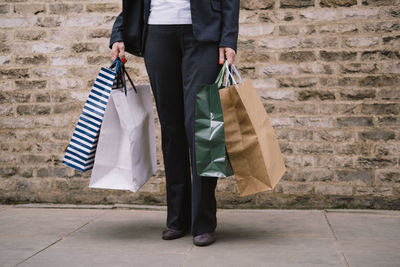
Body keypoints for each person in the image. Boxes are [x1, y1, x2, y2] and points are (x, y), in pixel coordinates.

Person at [109, 0, 239, 247]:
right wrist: (119, 32)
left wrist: (229, 38)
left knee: (203, 126)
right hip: (156, 33)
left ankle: (204, 221)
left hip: (204, 35)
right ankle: (178, 217)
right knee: (171, 128)